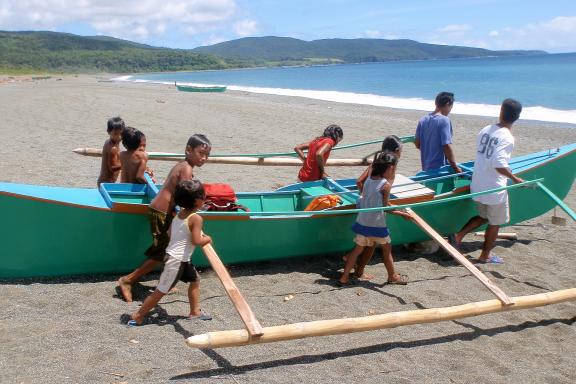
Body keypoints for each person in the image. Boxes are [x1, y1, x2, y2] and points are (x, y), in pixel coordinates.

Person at [117, 134, 212, 302]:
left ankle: (166, 281)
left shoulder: (183, 165)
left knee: (166, 247)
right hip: (162, 212)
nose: (204, 158)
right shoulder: (187, 169)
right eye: (200, 153)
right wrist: (191, 220)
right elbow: (185, 196)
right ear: (188, 150)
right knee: (163, 251)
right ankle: (128, 280)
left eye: (207, 155)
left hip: (162, 210)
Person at [127, 179, 213, 326]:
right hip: (176, 261)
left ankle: (194, 312)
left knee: (195, 281)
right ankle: (137, 316)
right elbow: (197, 241)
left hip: (180, 259)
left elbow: (168, 233)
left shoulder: (178, 215)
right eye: (204, 197)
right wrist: (208, 239)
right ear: (198, 201)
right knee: (161, 290)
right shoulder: (196, 218)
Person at [449, 99, 523, 264]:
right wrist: (514, 178)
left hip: (478, 184)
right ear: (517, 117)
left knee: (484, 216)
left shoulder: (485, 130)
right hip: (494, 189)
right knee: (495, 223)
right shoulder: (507, 137)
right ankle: (485, 256)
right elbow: (499, 164)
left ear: (501, 111)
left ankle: (458, 236)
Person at [338, 152, 412, 286]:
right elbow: (386, 208)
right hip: (377, 225)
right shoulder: (386, 185)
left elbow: (369, 195)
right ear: (390, 168)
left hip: (363, 221)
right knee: (387, 248)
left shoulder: (369, 179)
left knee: (357, 250)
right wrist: (403, 214)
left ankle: (344, 277)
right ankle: (392, 276)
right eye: (395, 168)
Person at [351, 135, 404, 280]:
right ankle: (359, 268)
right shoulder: (391, 165)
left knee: (370, 243)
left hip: (368, 208)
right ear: (397, 150)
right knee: (378, 244)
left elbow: (359, 182)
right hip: (377, 211)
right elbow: (384, 191)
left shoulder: (377, 162)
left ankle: (357, 269)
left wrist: (366, 197)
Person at [415, 92, 462, 173]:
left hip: (426, 168)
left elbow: (417, 143)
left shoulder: (423, 120)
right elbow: (446, 145)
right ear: (448, 104)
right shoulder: (444, 120)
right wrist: (455, 167)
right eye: (451, 107)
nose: (450, 110)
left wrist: (429, 150)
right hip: (440, 169)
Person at [97, 117, 124, 186]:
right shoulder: (113, 148)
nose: (118, 136)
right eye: (115, 134)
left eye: (121, 134)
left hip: (104, 181)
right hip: (106, 183)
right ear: (108, 132)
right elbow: (112, 168)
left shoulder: (109, 142)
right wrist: (126, 164)